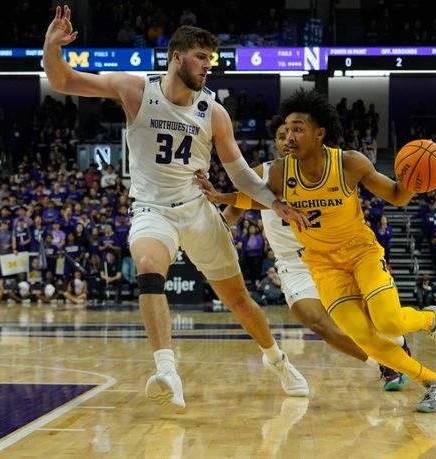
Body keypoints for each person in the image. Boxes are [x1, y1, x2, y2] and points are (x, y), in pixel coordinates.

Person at [44, 8, 309, 409]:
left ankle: (276, 357)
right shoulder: (135, 90)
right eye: (201, 57)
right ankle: (166, 369)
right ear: (177, 57)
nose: (208, 66)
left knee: (238, 300)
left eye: (210, 59)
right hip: (152, 208)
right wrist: (51, 46)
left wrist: (275, 203)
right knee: (149, 266)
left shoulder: (213, 112)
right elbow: (62, 79)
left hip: (197, 209)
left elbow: (240, 174)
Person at [263, 89, 436, 411]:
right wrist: (220, 197)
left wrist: (414, 178)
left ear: (320, 133)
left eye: (298, 129)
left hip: (360, 252)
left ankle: (429, 319)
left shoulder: (349, 163)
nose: (289, 137)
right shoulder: (277, 171)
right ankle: (433, 382)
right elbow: (250, 198)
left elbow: (397, 197)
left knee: (389, 324)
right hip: (324, 265)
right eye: (285, 131)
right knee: (364, 338)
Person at [195, 115, 411, 392]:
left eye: (294, 133)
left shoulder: (327, 169)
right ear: (275, 142)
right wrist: (216, 235)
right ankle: (384, 364)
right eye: (282, 136)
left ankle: (398, 343)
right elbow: (235, 210)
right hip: (292, 265)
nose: (288, 140)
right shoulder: (261, 174)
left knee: (372, 319)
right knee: (316, 321)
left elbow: (388, 193)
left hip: (332, 254)